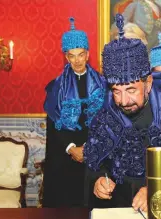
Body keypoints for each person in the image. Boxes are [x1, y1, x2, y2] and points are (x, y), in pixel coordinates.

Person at [83, 14, 161, 211]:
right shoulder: (107, 113)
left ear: (148, 83)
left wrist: (156, 188)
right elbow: (96, 161)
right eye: (116, 91)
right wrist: (98, 180)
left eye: (131, 90)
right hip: (119, 208)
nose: (123, 101)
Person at [42, 17, 105, 207]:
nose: (77, 60)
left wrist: (89, 148)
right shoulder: (56, 87)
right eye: (72, 55)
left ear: (88, 54)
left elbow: (107, 120)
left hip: (95, 156)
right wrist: (71, 148)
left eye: (81, 54)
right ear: (66, 57)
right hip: (64, 159)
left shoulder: (102, 85)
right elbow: (53, 124)